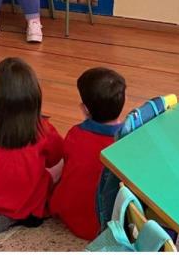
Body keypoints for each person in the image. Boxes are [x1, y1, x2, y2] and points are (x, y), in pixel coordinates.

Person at [0, 58, 64, 234]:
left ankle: (2, 210)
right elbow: (55, 158)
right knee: (63, 163)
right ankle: (14, 215)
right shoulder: (43, 129)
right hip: (29, 205)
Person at [49, 67, 126, 240]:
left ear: (85, 109)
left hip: (70, 213)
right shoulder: (127, 140)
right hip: (105, 224)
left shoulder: (75, 134)